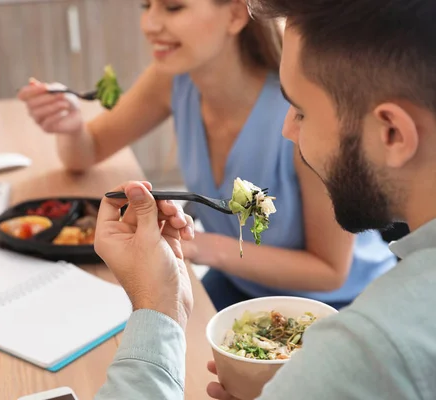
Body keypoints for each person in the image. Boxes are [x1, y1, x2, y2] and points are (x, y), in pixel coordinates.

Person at [92, 0, 436, 399]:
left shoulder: (368, 348)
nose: (287, 129)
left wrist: (156, 308)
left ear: (392, 133)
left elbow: (331, 278)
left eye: (302, 112)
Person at [18, 0, 395, 312]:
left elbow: (330, 271)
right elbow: (87, 151)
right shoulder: (174, 77)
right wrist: (69, 127)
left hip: (338, 304)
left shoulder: (302, 117)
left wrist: (201, 246)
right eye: (146, 6)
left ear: (235, 14)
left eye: (173, 7)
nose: (150, 24)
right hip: (242, 284)